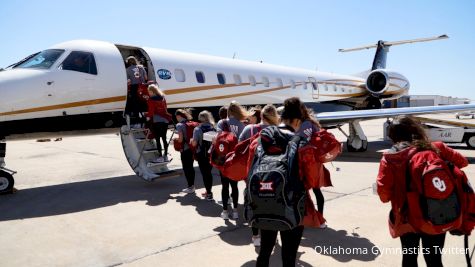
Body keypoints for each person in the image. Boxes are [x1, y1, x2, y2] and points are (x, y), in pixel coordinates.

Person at [377, 115, 469, 267]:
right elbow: (462, 162)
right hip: (436, 212)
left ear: (393, 135)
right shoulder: (437, 147)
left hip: (407, 219)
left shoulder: (390, 158)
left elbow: (384, 196)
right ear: (416, 130)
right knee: (434, 260)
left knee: (409, 259)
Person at [248, 97, 323, 267]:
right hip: (292, 207)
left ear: (281, 118)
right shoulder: (301, 145)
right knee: (289, 258)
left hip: (263, 203)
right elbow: (311, 180)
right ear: (297, 120)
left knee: (265, 253)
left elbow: (249, 173)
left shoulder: (259, 142)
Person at [239, 104, 279, 247]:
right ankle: (273, 235)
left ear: (260, 116)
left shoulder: (249, 129)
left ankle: (256, 236)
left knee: (254, 204)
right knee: (272, 204)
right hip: (274, 175)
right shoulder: (280, 131)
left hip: (253, 174)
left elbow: (240, 149)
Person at [294, 104, 327, 229]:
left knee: (302, 191)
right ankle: (321, 220)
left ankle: (303, 218)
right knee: (317, 191)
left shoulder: (300, 125)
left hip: (304, 161)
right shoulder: (313, 123)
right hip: (315, 162)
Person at [216, 101, 247, 220]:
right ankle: (235, 211)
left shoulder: (221, 122)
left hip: (222, 158)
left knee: (224, 186)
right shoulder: (241, 125)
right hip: (234, 159)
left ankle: (224, 211)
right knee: (234, 186)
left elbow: (217, 138)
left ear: (228, 111)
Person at [190, 110, 216, 201]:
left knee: (205, 174)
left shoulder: (197, 129)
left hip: (202, 154)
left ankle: (209, 193)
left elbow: (194, 143)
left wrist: (191, 141)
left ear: (200, 118)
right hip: (212, 154)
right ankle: (208, 190)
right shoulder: (213, 127)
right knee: (209, 173)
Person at [146, 84, 172, 163]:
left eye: (149, 92)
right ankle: (166, 156)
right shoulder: (163, 98)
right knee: (164, 138)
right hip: (165, 120)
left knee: (157, 139)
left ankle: (160, 157)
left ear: (152, 91)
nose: (148, 93)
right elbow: (165, 109)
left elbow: (151, 112)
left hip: (157, 120)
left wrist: (146, 116)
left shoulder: (151, 100)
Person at [174, 109, 196, 193]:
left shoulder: (179, 125)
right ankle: (192, 185)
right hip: (192, 148)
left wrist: (175, 140)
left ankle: (190, 187)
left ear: (179, 116)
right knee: (191, 167)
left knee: (186, 168)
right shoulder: (192, 123)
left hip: (185, 149)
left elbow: (180, 139)